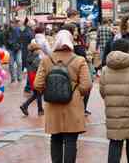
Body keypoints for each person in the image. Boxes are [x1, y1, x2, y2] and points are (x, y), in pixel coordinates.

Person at [34, 30, 92, 163]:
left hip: (53, 106)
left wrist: (51, 90)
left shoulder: (47, 60)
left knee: (55, 139)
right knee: (71, 140)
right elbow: (86, 85)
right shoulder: (79, 60)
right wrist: (77, 93)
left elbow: (38, 84)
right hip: (73, 104)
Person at [100, 39, 129, 163]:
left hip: (112, 113)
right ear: (128, 50)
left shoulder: (105, 70)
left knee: (115, 142)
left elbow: (103, 91)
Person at [20, 42, 44, 116]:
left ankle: (26, 106)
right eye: (38, 49)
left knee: (36, 94)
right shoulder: (37, 58)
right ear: (35, 50)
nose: (40, 50)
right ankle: (39, 110)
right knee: (38, 93)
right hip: (36, 77)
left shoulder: (29, 57)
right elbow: (40, 69)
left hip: (31, 77)